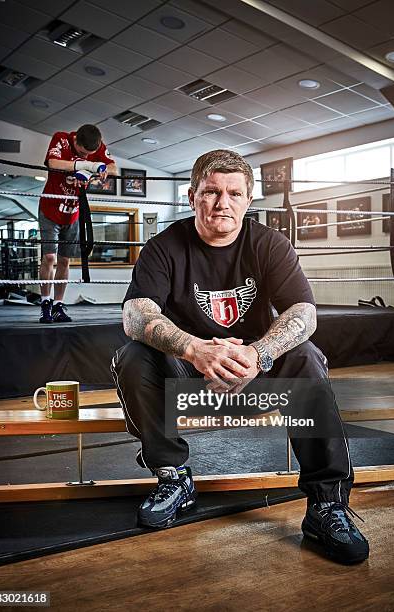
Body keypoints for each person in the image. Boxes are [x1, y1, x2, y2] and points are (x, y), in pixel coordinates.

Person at [112, 149, 369, 565]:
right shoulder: (164, 246)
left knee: (306, 355)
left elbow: (303, 313)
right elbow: (135, 313)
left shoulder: (269, 244)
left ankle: (326, 504)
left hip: (257, 378)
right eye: (211, 192)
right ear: (192, 195)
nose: (222, 203)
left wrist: (257, 354)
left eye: (234, 193)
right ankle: (174, 478)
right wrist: (195, 350)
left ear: (248, 200)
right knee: (134, 355)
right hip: (191, 383)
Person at [38, 124, 117, 323]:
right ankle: (45, 302)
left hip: (73, 212)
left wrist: (100, 170)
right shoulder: (61, 138)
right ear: (76, 142)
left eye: (90, 155)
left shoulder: (97, 146)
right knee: (49, 258)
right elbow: (53, 163)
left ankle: (57, 305)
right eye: (82, 153)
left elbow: (114, 168)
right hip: (51, 208)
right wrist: (86, 166)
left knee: (64, 261)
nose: (86, 156)